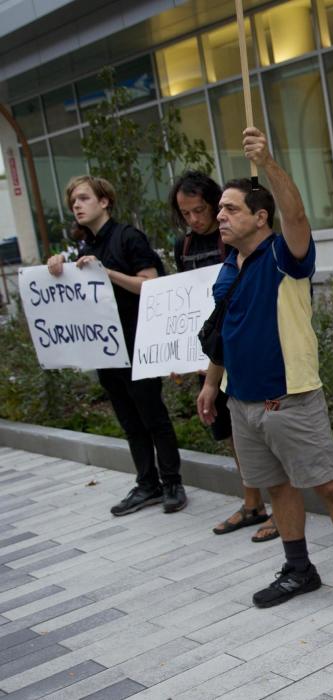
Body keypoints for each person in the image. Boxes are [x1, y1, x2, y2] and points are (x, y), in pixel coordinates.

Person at [196, 127, 333, 617]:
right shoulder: (229, 268)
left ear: (261, 217)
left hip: (291, 398)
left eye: (231, 208)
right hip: (244, 403)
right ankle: (299, 568)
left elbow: (297, 215)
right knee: (278, 488)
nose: (220, 216)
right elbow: (224, 330)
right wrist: (212, 382)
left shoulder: (284, 255)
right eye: (218, 209)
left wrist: (270, 160)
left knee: (328, 485)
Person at [46, 175, 186, 516]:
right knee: (129, 420)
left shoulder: (128, 238)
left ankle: (172, 483)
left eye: (83, 198)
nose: (76, 206)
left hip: (137, 344)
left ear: (104, 201)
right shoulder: (84, 247)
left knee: (153, 416)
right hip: (106, 350)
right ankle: (147, 483)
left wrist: (107, 272)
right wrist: (57, 269)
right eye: (73, 202)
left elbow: (152, 284)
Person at [170, 170, 277, 543]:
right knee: (232, 430)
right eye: (186, 214)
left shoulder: (233, 240)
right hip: (213, 353)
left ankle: (281, 507)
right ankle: (252, 502)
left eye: (201, 210)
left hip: (246, 353)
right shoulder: (182, 247)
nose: (196, 220)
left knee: (264, 430)